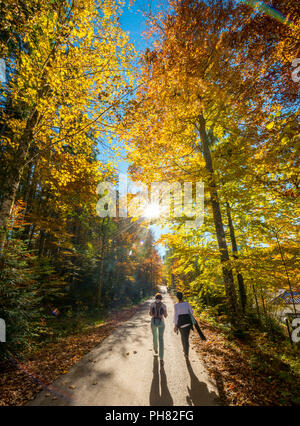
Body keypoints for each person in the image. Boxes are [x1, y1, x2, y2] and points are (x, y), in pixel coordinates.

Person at [173, 291, 194, 359]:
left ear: (177, 297)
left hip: (181, 323)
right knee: (186, 338)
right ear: (183, 296)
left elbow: (176, 316)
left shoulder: (176, 305)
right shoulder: (187, 304)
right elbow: (192, 312)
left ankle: (185, 351)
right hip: (188, 323)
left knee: (183, 338)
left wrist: (175, 325)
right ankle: (186, 352)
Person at [149, 292, 167, 366]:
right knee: (161, 339)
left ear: (155, 298)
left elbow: (150, 314)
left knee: (155, 336)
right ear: (161, 298)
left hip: (153, 321)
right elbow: (165, 316)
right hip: (161, 322)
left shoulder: (152, 304)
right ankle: (161, 358)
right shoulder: (163, 305)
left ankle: (155, 349)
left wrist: (152, 311)